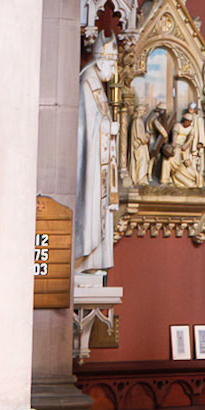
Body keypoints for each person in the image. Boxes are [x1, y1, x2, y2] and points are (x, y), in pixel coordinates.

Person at [76, 32, 117, 272]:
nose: (112, 70)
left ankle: (93, 260)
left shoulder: (97, 85)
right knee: (91, 204)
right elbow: (85, 128)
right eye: (111, 64)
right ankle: (85, 257)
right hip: (90, 163)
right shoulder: (87, 84)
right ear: (101, 62)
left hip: (100, 162)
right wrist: (107, 128)